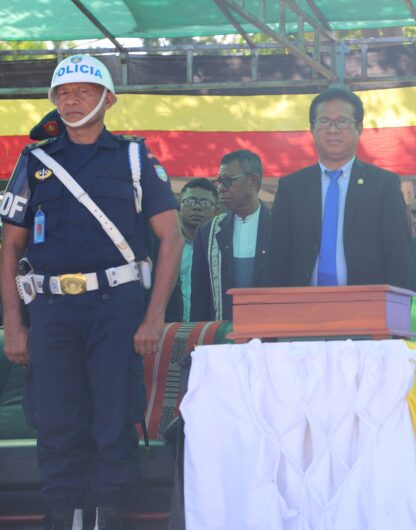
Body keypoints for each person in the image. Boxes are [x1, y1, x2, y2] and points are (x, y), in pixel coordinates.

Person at [0, 54, 182, 530]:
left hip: (115, 309)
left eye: (83, 89)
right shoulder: (34, 162)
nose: (71, 98)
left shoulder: (134, 158)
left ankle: (108, 520)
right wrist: (14, 324)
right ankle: (63, 520)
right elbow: (10, 246)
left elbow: (172, 237)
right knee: (56, 424)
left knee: (111, 422)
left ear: (108, 100)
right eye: (62, 92)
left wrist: (153, 317)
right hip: (51, 311)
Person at [266, 87, 411, 289]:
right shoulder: (292, 187)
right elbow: (277, 257)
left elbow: (399, 256)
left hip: (366, 307)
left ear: (359, 127)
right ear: (312, 128)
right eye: (324, 121)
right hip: (302, 306)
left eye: (342, 121)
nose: (332, 129)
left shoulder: (383, 184)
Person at [190, 150, 271, 321]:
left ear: (253, 181)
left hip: (270, 338)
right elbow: (199, 298)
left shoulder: (281, 227)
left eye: (228, 181)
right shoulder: (208, 232)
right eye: (219, 181)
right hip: (222, 337)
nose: (220, 187)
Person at [173, 178, 218, 322]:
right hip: (172, 328)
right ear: (179, 207)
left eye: (205, 203)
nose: (197, 208)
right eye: (190, 201)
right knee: (178, 346)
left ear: (216, 211)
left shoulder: (220, 250)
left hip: (207, 329)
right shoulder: (166, 246)